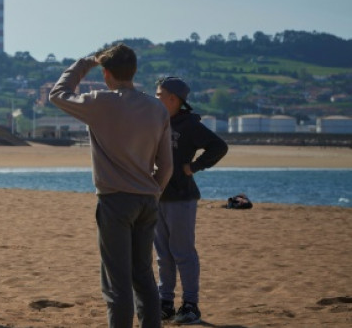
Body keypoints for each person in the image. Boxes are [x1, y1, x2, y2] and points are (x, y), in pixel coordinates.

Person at [49, 44, 173, 328]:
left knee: (117, 281)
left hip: (116, 200)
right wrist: (154, 193)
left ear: (106, 74)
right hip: (147, 199)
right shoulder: (157, 108)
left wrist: (82, 64)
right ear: (134, 71)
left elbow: (58, 94)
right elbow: (166, 167)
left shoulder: (101, 102)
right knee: (143, 276)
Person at [154, 77, 228, 325]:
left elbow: (218, 146)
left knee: (183, 252)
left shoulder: (189, 125)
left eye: (159, 95)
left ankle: (191, 305)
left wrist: (194, 167)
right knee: (163, 254)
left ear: (173, 99)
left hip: (181, 197)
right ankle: (165, 303)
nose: (155, 98)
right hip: (157, 196)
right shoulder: (156, 121)